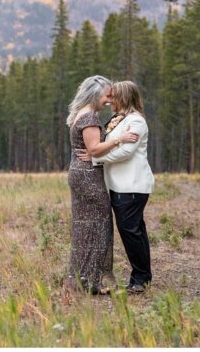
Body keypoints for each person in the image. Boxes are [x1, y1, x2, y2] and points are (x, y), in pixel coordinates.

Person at [77, 80, 154, 293]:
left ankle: (140, 280)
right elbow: (113, 144)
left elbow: (126, 152)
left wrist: (95, 160)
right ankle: (142, 277)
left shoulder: (136, 121)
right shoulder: (120, 120)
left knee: (131, 232)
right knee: (135, 231)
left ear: (124, 97)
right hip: (122, 185)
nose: (110, 100)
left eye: (114, 96)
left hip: (132, 186)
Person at [65, 75, 138, 294]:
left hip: (81, 173)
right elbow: (94, 149)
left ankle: (82, 280)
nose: (109, 100)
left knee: (84, 228)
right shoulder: (90, 117)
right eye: (107, 95)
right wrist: (120, 138)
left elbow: (91, 149)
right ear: (95, 94)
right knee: (97, 227)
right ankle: (88, 282)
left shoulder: (81, 113)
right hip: (88, 175)